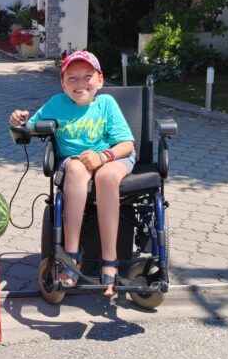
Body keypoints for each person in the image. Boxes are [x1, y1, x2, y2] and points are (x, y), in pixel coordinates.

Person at [9, 50, 135, 297]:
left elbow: (127, 145)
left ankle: (110, 261)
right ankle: (71, 257)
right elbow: (29, 128)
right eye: (72, 78)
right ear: (63, 83)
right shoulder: (56, 103)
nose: (80, 84)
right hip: (75, 162)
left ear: (100, 79)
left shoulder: (106, 104)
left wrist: (103, 157)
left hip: (113, 158)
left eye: (87, 76)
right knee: (76, 168)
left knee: (106, 176)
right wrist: (17, 120)